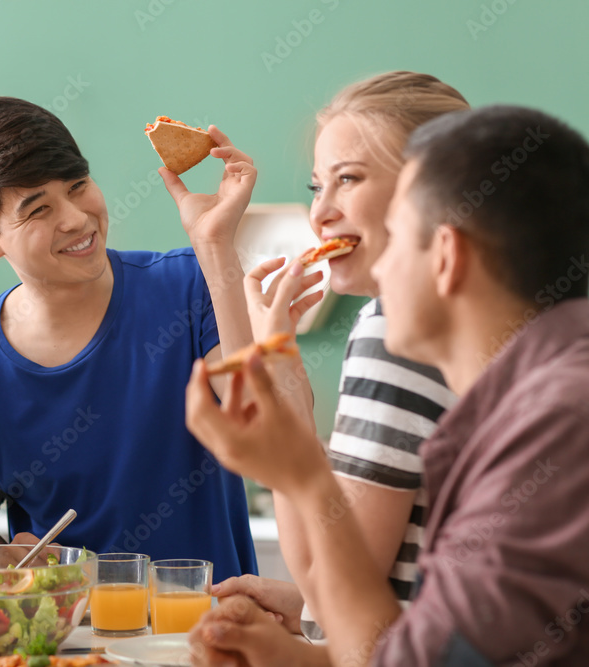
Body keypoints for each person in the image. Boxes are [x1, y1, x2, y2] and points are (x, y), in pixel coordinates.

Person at [186, 105, 589, 665]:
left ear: (447, 257)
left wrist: (304, 478)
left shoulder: (555, 425)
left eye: (397, 235)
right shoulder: (523, 401)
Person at [0, 97, 296, 579]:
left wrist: (215, 246)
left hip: (217, 633)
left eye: (78, 186)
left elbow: (261, 429)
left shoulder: (189, 286)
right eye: (38, 209)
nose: (75, 218)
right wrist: (4, 567)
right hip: (65, 645)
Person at [213, 71, 469, 641]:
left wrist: (274, 371)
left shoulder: (398, 328)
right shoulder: (479, 311)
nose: (320, 214)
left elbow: (338, 596)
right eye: (315, 187)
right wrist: (301, 600)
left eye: (347, 179)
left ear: (430, 188)